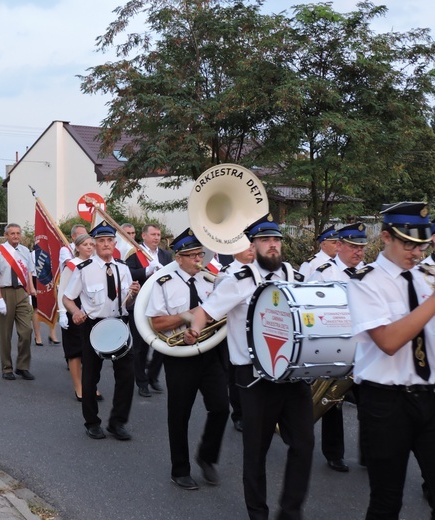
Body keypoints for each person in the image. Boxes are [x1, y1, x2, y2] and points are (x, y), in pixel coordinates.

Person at [185, 214, 313, 520]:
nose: (273, 246)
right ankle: (258, 513)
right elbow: (205, 310)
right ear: (253, 246)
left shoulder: (294, 277)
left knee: (304, 445)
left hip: (292, 376)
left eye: (277, 240)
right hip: (254, 379)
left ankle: (290, 511)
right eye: (266, 240)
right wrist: (194, 331)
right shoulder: (238, 280)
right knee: (256, 452)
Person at [347, 202, 435, 519]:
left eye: (422, 244)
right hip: (386, 403)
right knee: (387, 501)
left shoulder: (425, 278)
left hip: (429, 396)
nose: (417, 253)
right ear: (386, 237)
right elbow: (389, 341)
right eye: (408, 244)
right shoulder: (365, 281)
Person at [145, 228, 229, 490]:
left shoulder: (210, 280)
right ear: (178, 258)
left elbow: (220, 314)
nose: (198, 260)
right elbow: (157, 322)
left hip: (209, 352)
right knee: (179, 414)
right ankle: (179, 469)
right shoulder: (164, 282)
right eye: (192, 256)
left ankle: (206, 456)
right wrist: (186, 317)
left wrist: (203, 322)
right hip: (179, 356)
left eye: (199, 254)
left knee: (221, 407)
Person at [62, 220, 140, 441]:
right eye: (101, 241)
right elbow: (68, 298)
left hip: (119, 325)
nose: (106, 244)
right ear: (94, 244)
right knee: (91, 376)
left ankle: (118, 422)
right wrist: (75, 311)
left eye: (109, 240)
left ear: (115, 243)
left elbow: (128, 303)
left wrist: (133, 294)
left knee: (127, 375)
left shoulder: (123, 268)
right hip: (93, 326)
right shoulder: (84, 270)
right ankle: (92, 422)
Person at [308, 222, 367, 473]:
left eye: (362, 247)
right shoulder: (323, 273)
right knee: (333, 400)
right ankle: (334, 454)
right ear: (339, 246)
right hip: (336, 346)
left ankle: (370, 453)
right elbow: (308, 309)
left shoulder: (369, 273)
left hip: (366, 348)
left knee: (371, 404)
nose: (359, 252)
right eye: (353, 246)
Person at [126, 223, 172, 397]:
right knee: (140, 346)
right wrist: (146, 271)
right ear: (144, 236)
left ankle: (153, 375)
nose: (157, 237)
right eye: (153, 234)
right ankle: (142, 382)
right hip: (140, 305)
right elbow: (127, 273)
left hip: (161, 305)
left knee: (163, 344)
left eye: (159, 234)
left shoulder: (166, 255)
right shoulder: (135, 254)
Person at [217, 242, 256, 433]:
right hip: (235, 334)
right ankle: (239, 414)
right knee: (235, 375)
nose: (251, 248)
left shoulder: (261, 271)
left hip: (259, 335)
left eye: (253, 244)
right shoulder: (226, 274)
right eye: (246, 245)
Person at [0, 223, 36, 380]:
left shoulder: (25, 251)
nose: (16, 236)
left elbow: (28, 273)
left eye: (18, 233)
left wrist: (29, 291)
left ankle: (22, 366)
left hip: (21, 292)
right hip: (5, 292)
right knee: (5, 333)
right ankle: (7, 367)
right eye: (12, 233)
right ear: (6, 235)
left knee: (26, 331)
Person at [57, 233, 97, 400]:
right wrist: (62, 313)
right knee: (76, 351)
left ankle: (91, 385)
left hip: (92, 310)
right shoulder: (71, 266)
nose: (89, 247)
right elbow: (62, 291)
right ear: (77, 247)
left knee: (92, 351)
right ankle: (78, 386)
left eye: (91, 244)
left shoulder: (97, 264)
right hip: (74, 309)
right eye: (85, 244)